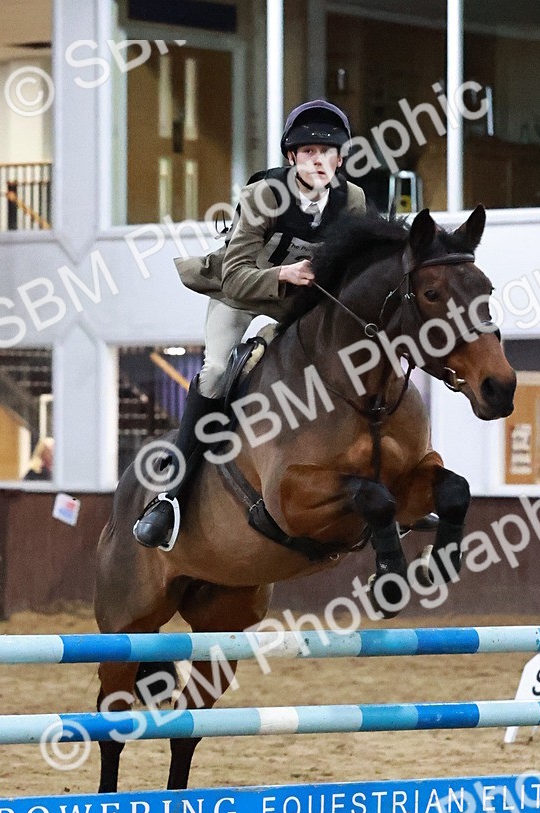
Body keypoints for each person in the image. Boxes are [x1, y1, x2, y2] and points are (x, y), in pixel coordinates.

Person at [134, 99, 366, 550]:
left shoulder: (351, 200)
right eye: (308, 151)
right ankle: (170, 496)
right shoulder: (264, 196)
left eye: (327, 152)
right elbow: (236, 276)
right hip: (241, 292)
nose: (318, 160)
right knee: (217, 371)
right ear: (292, 157)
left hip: (295, 302)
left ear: (340, 159)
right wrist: (283, 274)